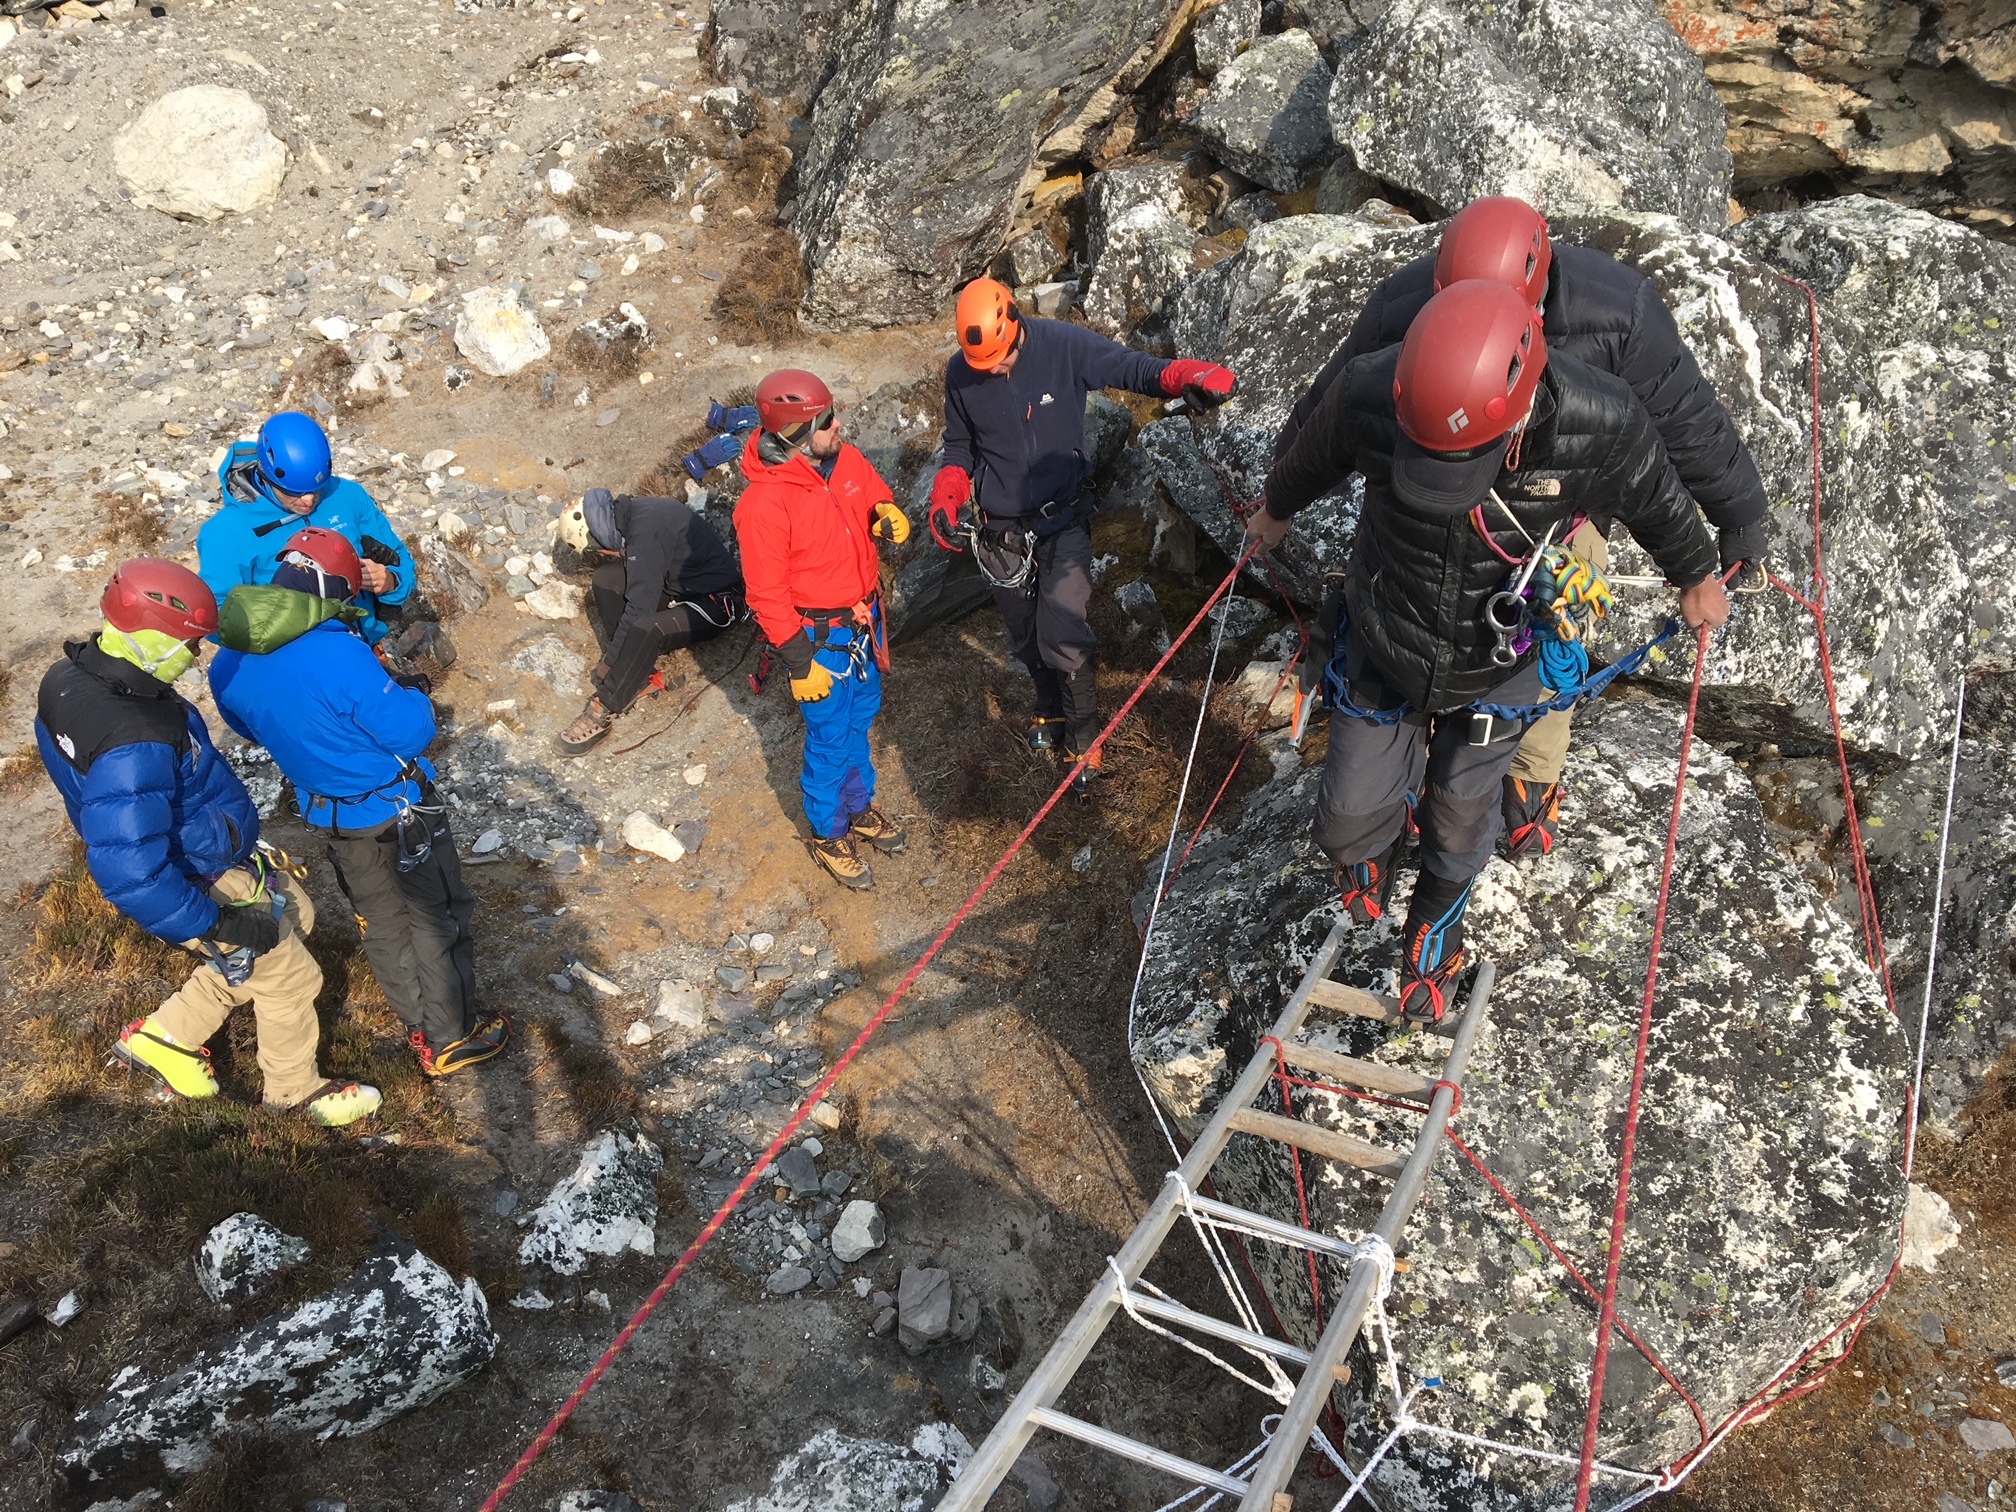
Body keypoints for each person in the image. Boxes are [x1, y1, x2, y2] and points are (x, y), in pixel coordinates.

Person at [1251, 280, 1730, 1023]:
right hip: (1390, 630)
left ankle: (1432, 943)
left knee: (1460, 816)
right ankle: (1376, 836)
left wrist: (1697, 575)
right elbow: (1316, 451)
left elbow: (1656, 493)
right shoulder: (1373, 389)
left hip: (1501, 654)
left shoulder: (1599, 419)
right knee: (1343, 817)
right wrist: (1276, 511)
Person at [1276, 197, 1769, 858]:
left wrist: (1738, 520)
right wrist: (1283, 484)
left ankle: (1530, 772)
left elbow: (1684, 423)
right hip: (1429, 491)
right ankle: (1411, 766)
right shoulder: (1406, 305)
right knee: (1405, 620)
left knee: (1545, 639)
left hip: (1563, 508)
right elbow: (1338, 397)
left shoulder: (1617, 315)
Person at [34, 558, 381, 1126]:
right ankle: (296, 1095)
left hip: (202, 851)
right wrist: (215, 924)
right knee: (292, 974)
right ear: (149, 635)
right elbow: (131, 871)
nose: (196, 656)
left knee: (298, 916)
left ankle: (166, 1039)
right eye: (188, 642)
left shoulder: (69, 679)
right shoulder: (136, 740)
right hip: (199, 874)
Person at [207, 529, 510, 1078]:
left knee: (381, 920)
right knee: (435, 917)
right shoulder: (337, 653)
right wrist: (409, 690)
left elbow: (247, 726)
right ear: (331, 589)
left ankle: (417, 1024)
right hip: (399, 811)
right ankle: (451, 1036)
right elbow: (411, 731)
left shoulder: (230, 659)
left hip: (332, 815)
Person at [927, 277, 1238, 794]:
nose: (995, 371)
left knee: (1064, 629)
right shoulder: (962, 373)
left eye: (1000, 361)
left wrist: (1186, 374)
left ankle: (1085, 735)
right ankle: (1049, 708)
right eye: (984, 366)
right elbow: (960, 446)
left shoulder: (1061, 346)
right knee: (1026, 634)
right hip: (1001, 531)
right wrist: (948, 493)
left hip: (1062, 519)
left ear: (1014, 325)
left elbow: (1129, 367)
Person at [736, 369, 911, 891]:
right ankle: (829, 831)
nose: (840, 425)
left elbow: (870, 494)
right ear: (794, 434)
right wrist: (797, 662)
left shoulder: (846, 459)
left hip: (861, 623)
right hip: (820, 643)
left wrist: (884, 512)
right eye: (827, 419)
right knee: (831, 736)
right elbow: (766, 595)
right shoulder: (764, 505)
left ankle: (858, 807)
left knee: (860, 721)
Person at [553, 486, 744, 754]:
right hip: (678, 587)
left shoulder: (646, 531)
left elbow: (639, 610)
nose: (600, 555)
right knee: (606, 581)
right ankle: (638, 674)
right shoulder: (633, 515)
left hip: (715, 603)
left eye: (594, 549)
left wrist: (611, 661)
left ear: (597, 534)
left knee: (645, 627)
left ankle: (603, 708)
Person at [199, 410, 416, 646]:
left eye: (317, 488)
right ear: (265, 474)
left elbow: (400, 559)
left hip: (364, 647)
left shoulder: (348, 496)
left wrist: (391, 581)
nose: (308, 501)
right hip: (289, 658)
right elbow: (216, 614)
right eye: (293, 492)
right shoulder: (226, 532)